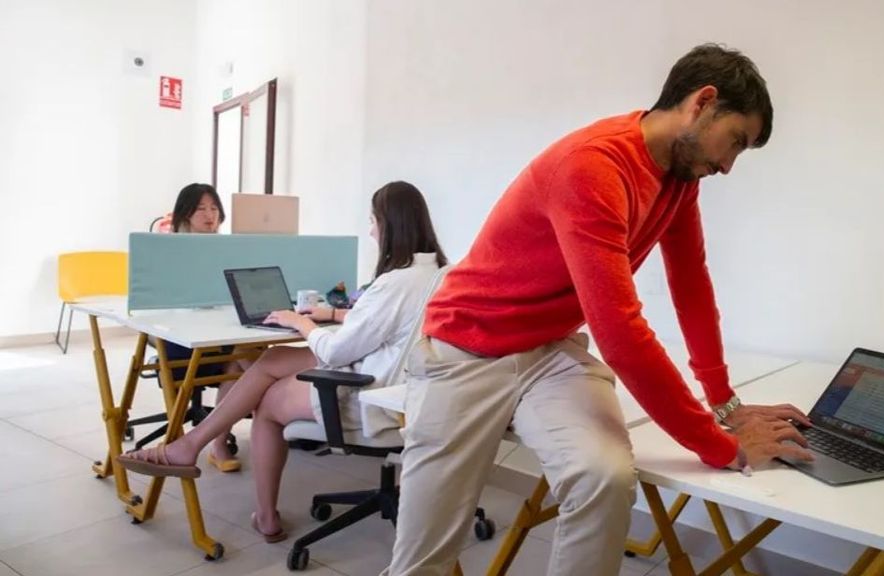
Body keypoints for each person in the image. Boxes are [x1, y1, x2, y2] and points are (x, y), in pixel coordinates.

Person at [383, 44, 814, 576]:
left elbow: (691, 285)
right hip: (465, 348)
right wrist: (721, 446)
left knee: (605, 479)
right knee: (423, 559)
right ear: (702, 103)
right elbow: (621, 333)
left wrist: (725, 404)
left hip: (550, 352)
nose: (727, 166)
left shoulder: (680, 178)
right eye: (735, 143)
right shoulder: (593, 166)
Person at [119, 181, 448, 543]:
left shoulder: (394, 282)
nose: (370, 230)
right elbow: (385, 325)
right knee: (273, 358)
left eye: (373, 221)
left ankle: (265, 516)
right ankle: (192, 445)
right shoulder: (439, 274)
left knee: (268, 403)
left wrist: (301, 322)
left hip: (368, 392)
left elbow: (338, 352)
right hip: (400, 383)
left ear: (391, 224)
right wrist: (335, 314)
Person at [163, 183, 246, 472]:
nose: (209, 215)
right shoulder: (168, 250)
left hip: (221, 331)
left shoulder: (228, 248)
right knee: (252, 360)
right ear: (184, 214)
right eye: (200, 209)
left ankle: (217, 443)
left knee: (247, 356)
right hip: (182, 338)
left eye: (214, 208)